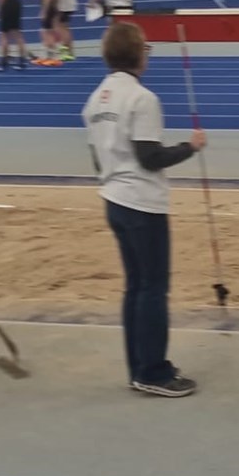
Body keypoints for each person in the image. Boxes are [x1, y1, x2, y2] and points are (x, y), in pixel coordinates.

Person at [82, 21, 207, 398]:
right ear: (138, 54)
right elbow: (150, 157)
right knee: (153, 288)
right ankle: (154, 371)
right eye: (146, 48)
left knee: (136, 286)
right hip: (141, 203)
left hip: (113, 198)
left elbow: (96, 157)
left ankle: (138, 368)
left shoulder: (95, 100)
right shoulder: (142, 99)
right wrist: (190, 147)